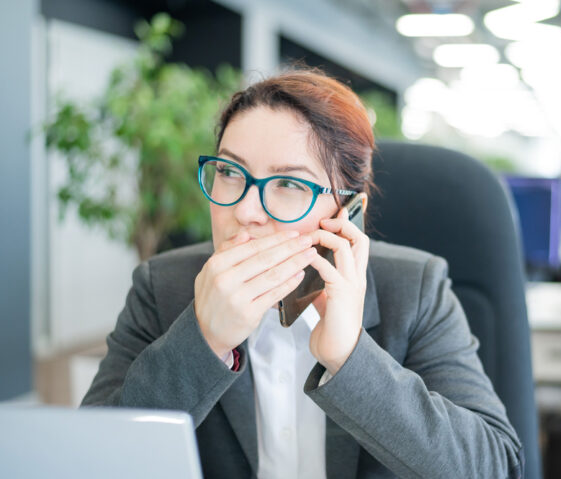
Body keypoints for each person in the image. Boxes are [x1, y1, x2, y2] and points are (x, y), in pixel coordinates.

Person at [82, 69, 523, 479]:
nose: (244, 211)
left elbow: (493, 466)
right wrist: (203, 341)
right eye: (230, 172)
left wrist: (350, 357)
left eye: (290, 185)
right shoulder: (163, 287)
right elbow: (89, 462)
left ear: (347, 214)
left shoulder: (415, 290)